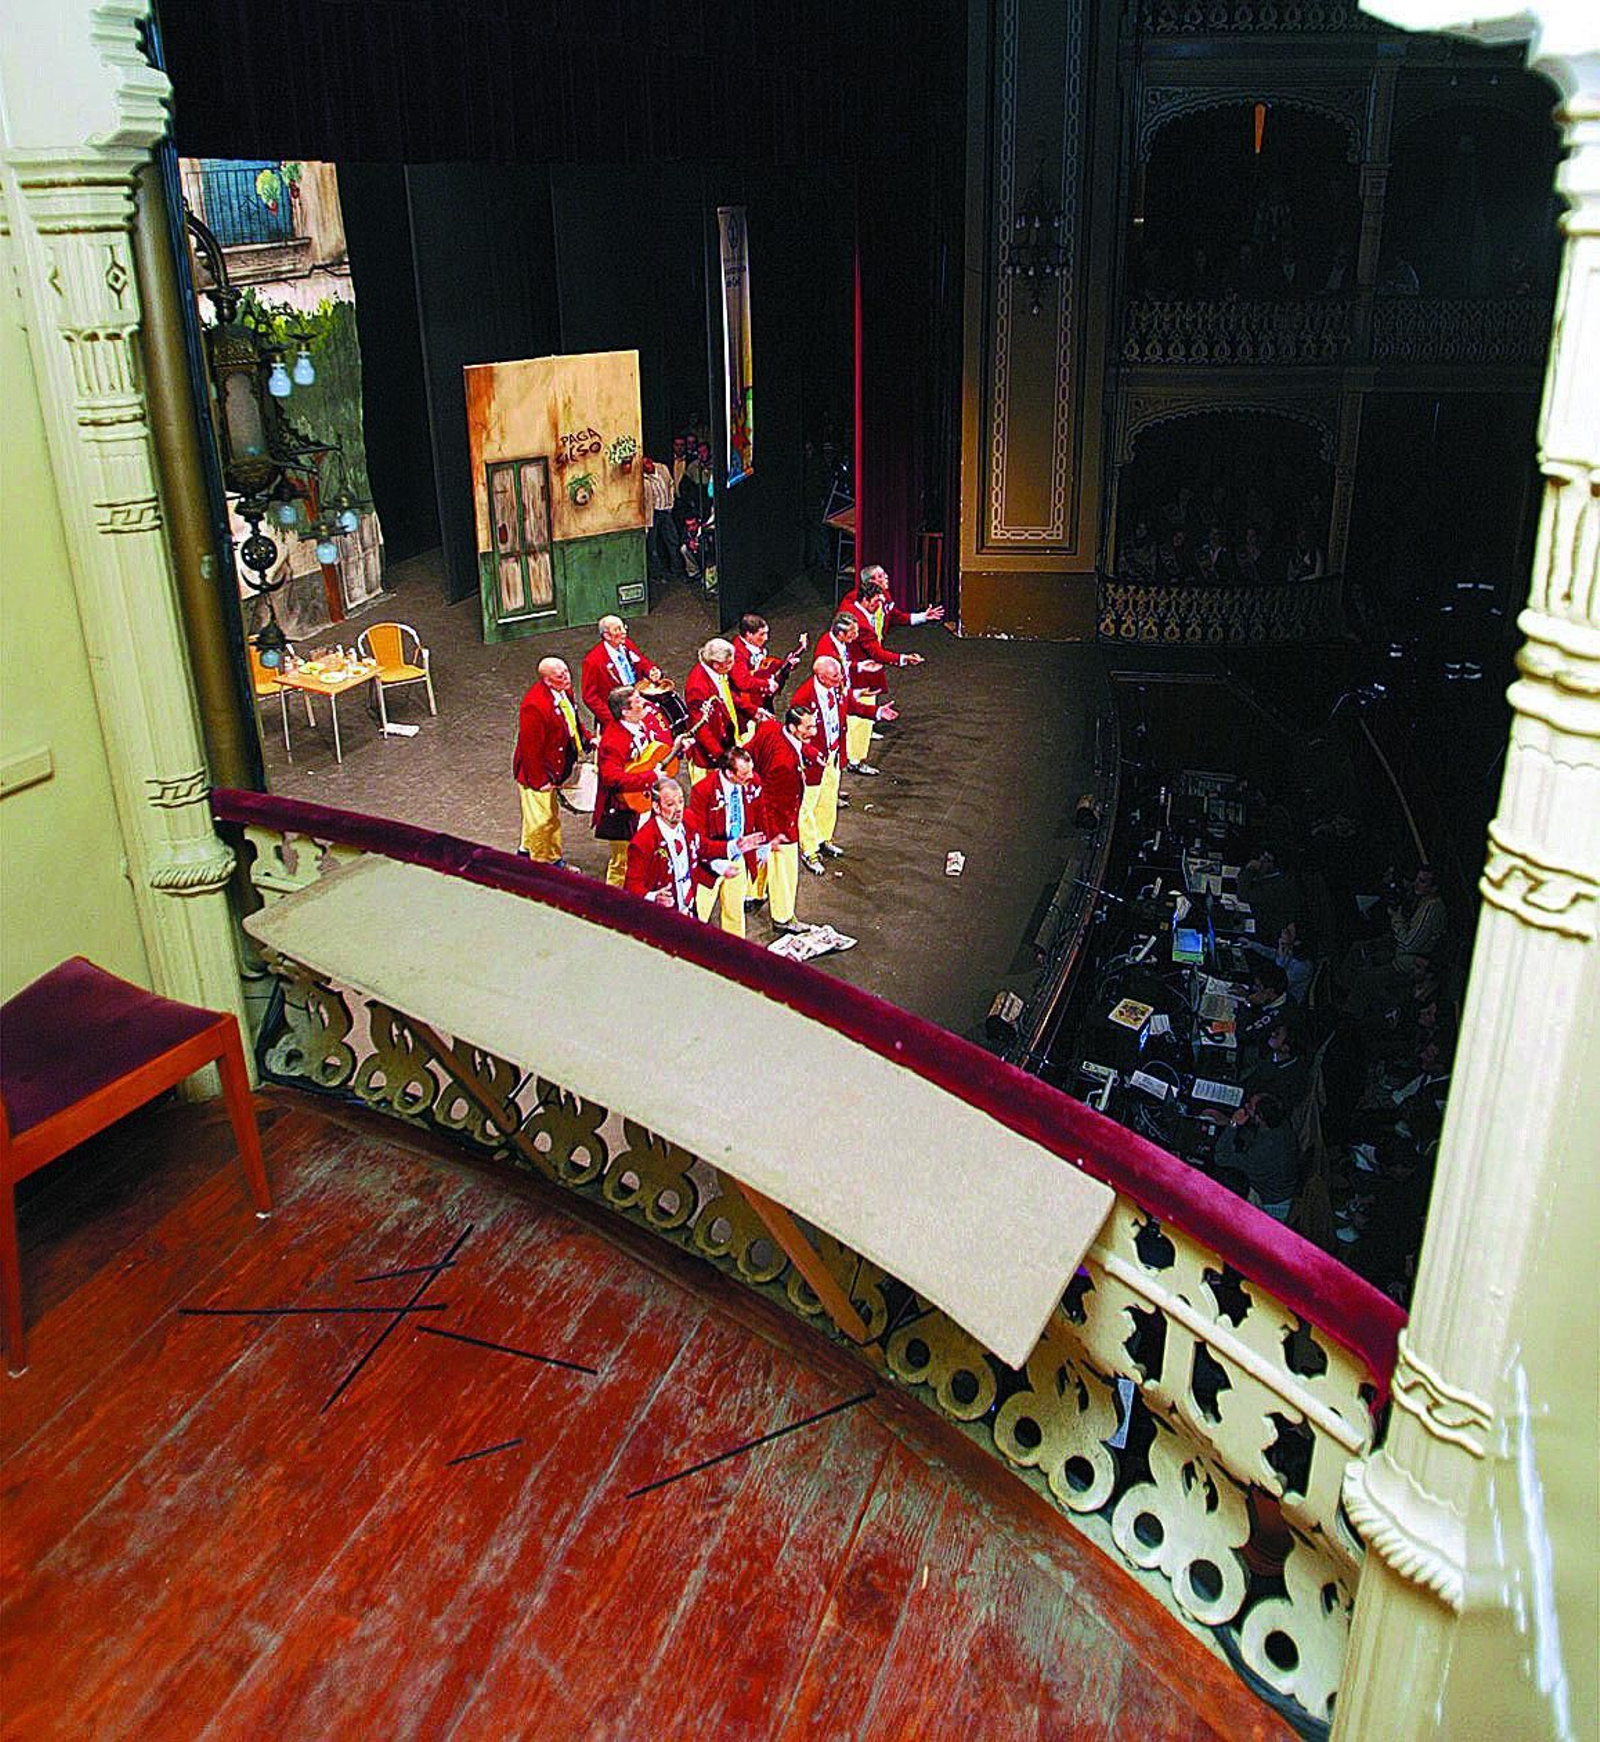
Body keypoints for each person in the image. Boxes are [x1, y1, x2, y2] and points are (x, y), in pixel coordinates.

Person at [747, 705, 820, 935]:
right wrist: (775, 835)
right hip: (780, 823)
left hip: (759, 813)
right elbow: (774, 801)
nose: (813, 731)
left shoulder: (770, 728)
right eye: (808, 727)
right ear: (792, 727)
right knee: (785, 869)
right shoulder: (785, 765)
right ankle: (783, 916)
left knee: (762, 859)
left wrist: (808, 753)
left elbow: (750, 751)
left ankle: (754, 894)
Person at [593, 684, 674, 886]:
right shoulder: (613, 741)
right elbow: (612, 778)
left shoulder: (638, 726)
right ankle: (614, 907)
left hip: (642, 803)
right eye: (638, 701)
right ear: (626, 712)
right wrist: (650, 778)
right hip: (622, 810)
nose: (644, 703)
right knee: (622, 863)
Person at [512, 657, 590, 864]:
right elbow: (531, 749)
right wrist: (540, 781)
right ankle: (547, 864)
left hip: (556, 768)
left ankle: (525, 854)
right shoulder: (534, 706)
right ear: (547, 681)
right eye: (560, 675)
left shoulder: (564, 692)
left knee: (539, 816)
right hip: (538, 773)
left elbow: (572, 721)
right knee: (544, 821)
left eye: (566, 671)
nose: (566, 677)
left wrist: (587, 740)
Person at [684, 746, 764, 936]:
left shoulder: (752, 782)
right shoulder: (703, 791)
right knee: (697, 917)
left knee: (735, 914)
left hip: (739, 860)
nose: (751, 776)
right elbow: (698, 839)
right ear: (729, 773)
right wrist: (719, 863)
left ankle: (735, 956)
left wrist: (763, 845)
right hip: (709, 864)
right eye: (744, 773)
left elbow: (761, 813)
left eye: (751, 769)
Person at [816, 611, 897, 772]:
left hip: (842, 692)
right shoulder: (827, 651)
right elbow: (831, 676)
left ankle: (837, 787)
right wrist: (850, 694)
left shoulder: (837, 643)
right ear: (840, 634)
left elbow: (842, 664)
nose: (856, 635)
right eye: (853, 632)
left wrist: (859, 666)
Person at [792, 656, 848, 873]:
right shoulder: (803, 698)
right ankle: (809, 849)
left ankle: (824, 839)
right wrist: (812, 754)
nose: (841, 678)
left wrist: (876, 712)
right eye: (835, 676)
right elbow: (795, 735)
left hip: (832, 754)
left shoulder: (835, 687)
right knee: (807, 806)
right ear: (821, 677)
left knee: (828, 799)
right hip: (813, 762)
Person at [624, 777, 699, 915]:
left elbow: (703, 847)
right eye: (670, 804)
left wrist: (732, 848)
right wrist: (653, 897)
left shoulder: (689, 819)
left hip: (690, 910)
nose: (678, 809)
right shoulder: (643, 841)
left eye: (681, 802)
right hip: (662, 917)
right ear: (656, 807)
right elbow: (631, 885)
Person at [580, 616, 662, 728]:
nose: (624, 632)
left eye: (623, 627)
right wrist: (612, 719)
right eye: (617, 629)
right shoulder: (593, 661)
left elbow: (641, 662)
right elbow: (589, 697)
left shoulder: (627, 644)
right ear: (606, 635)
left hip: (637, 702)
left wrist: (651, 671)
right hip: (617, 714)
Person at [730, 614, 805, 731]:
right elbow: (742, 682)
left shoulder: (753, 646)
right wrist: (766, 684)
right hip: (746, 706)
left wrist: (785, 665)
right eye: (762, 634)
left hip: (760, 697)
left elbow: (764, 666)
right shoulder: (737, 654)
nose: (766, 638)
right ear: (749, 635)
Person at [683, 637, 741, 787]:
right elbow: (701, 728)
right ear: (716, 664)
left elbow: (727, 696)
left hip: (724, 739)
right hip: (708, 755)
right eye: (728, 663)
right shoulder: (697, 686)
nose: (732, 665)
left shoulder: (716, 673)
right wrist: (721, 757)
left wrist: (754, 711)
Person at [642, 459, 677, 580]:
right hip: (653, 513)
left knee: (672, 540)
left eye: (647, 464)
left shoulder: (662, 468)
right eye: (643, 466)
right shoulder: (643, 478)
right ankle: (657, 574)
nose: (646, 467)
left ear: (651, 462)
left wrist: (671, 501)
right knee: (653, 544)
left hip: (666, 510)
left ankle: (676, 570)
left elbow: (671, 484)